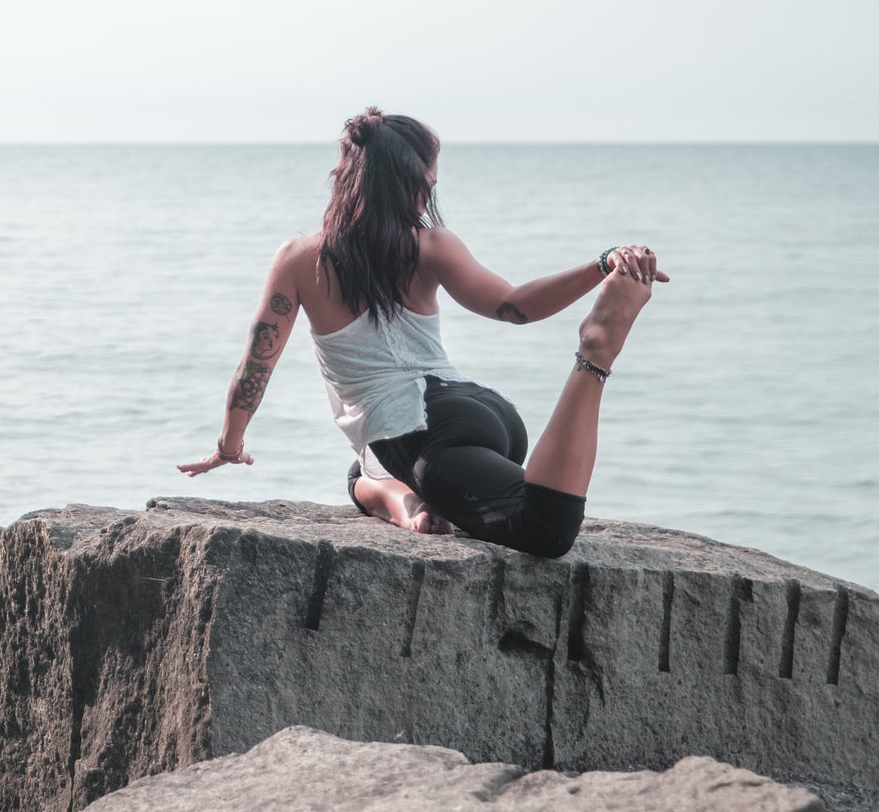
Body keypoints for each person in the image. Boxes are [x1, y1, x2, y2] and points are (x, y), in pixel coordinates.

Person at [176, 107, 665, 557]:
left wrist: (229, 445)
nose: (430, 194)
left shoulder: (300, 259)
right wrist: (599, 264)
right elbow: (516, 307)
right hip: (481, 412)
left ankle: (596, 352)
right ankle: (412, 502)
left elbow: (258, 361)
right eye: (429, 184)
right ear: (412, 185)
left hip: (420, 435)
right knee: (360, 473)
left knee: (545, 529)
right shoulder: (431, 245)